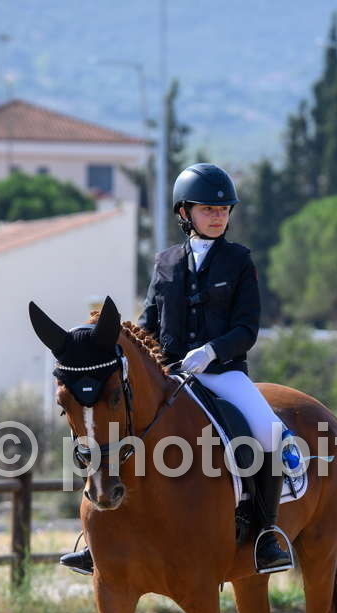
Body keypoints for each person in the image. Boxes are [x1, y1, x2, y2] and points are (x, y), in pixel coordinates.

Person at [60, 163, 292, 576]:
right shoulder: (165, 262)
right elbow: (148, 322)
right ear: (184, 213)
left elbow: (247, 328)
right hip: (168, 374)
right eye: (208, 209)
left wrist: (212, 351)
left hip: (222, 373)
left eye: (223, 210)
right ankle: (97, 538)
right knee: (115, 428)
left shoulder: (239, 261)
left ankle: (266, 533)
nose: (218, 217)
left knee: (269, 430)